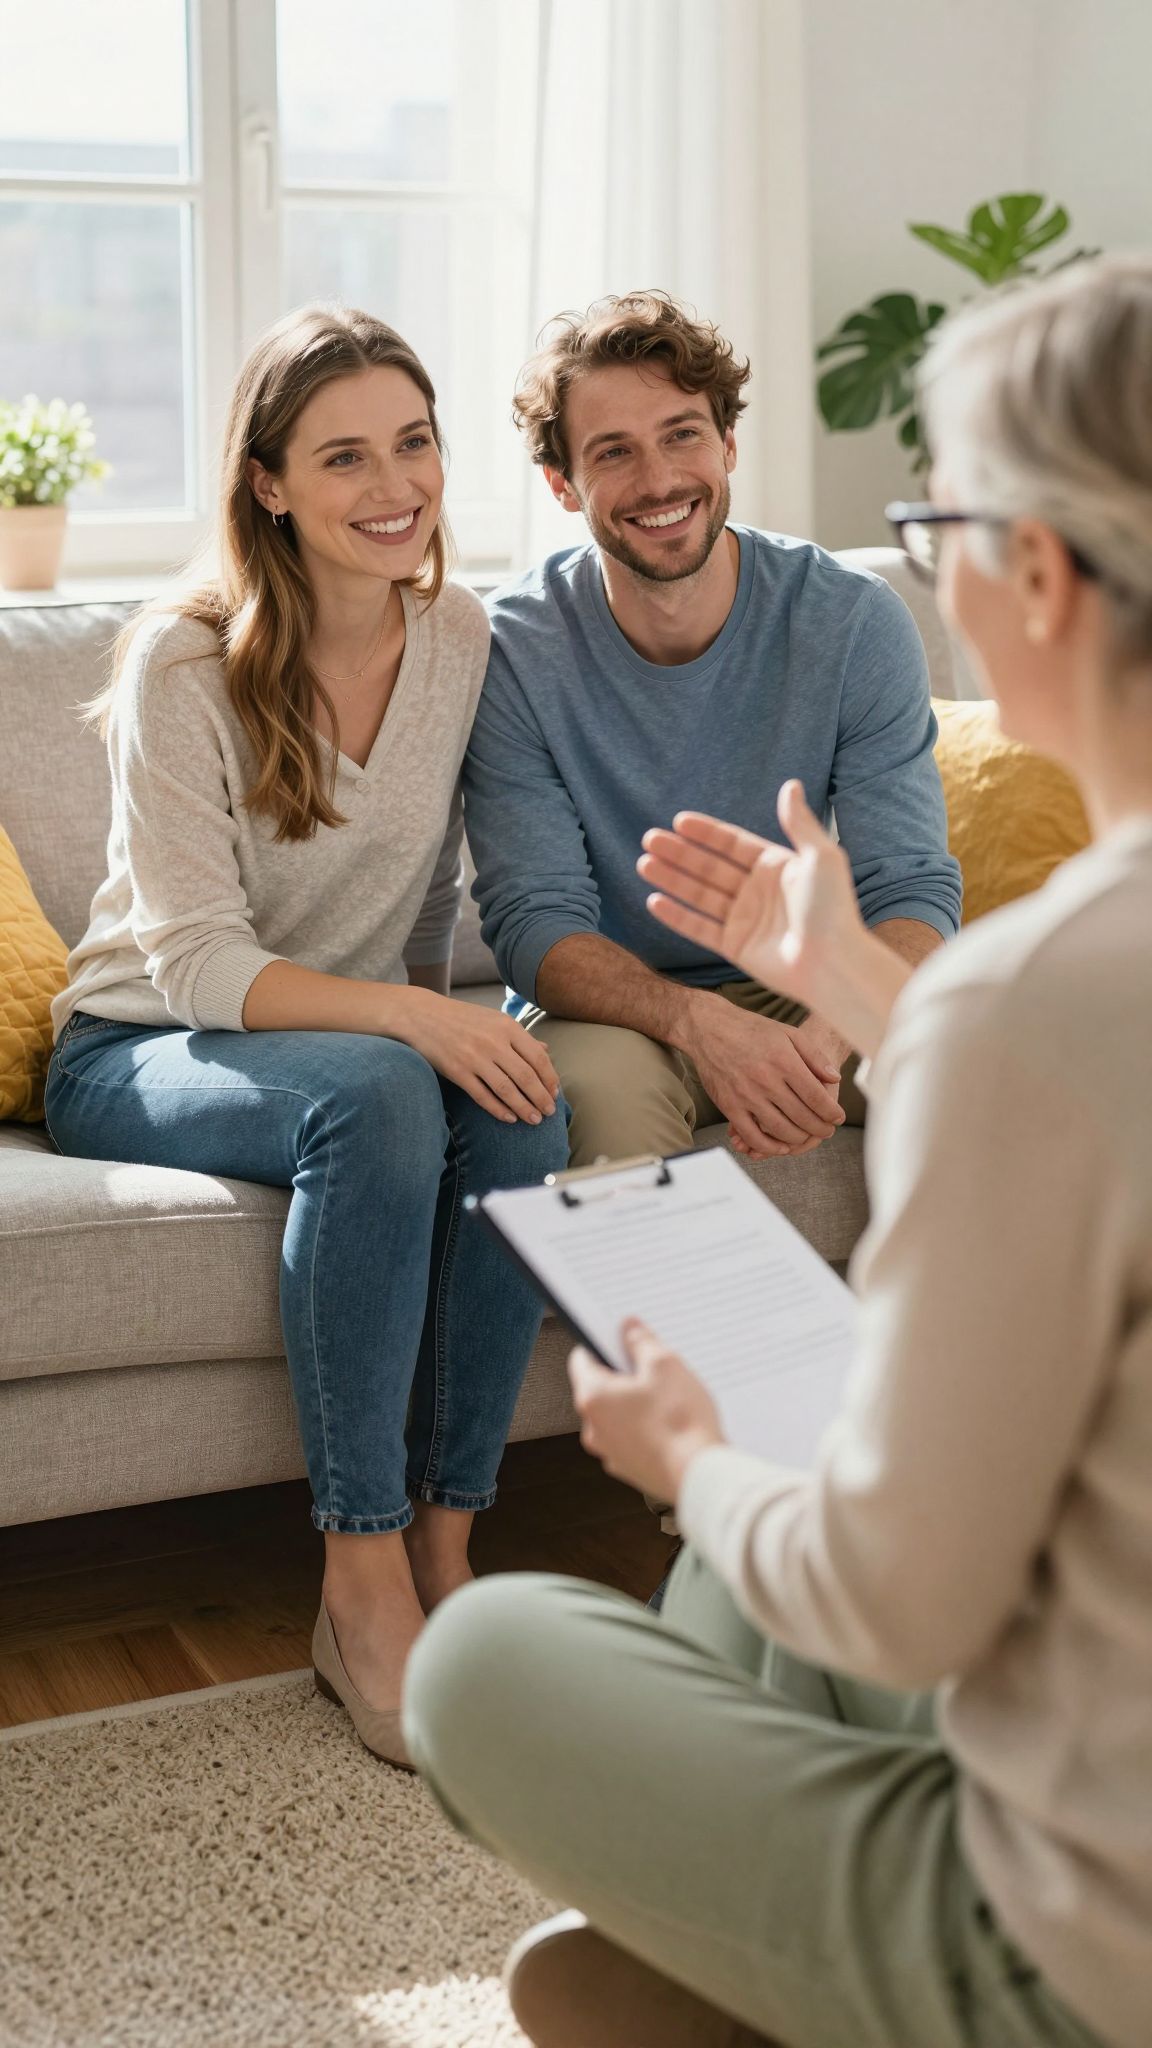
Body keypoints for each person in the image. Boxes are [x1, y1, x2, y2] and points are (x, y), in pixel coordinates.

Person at [403, 254, 1152, 2048]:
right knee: (753, 1581)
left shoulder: (1032, 1009)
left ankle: (762, 1974)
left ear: (1035, 578)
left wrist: (697, 1451)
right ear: (565, 480)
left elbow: (900, 1600)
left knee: (489, 1655)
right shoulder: (1025, 1010)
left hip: (1089, 1946)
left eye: (940, 527)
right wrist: (841, 997)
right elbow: (543, 923)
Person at [44, 305, 567, 1769]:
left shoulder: (459, 635)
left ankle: (450, 1542)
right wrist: (411, 1021)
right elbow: (196, 960)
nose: (394, 485)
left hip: (335, 1048)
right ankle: (359, 1578)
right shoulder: (181, 664)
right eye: (344, 457)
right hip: (140, 1046)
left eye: (414, 443)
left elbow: (421, 901)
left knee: (521, 1098)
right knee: (389, 1092)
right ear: (268, 482)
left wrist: (450, 1027)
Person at [462, 291, 961, 1170]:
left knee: (980, 1064)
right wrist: (699, 1023)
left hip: (814, 987)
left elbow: (911, 888)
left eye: (682, 434)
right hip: (614, 1015)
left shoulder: (851, 621)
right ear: (562, 484)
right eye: (613, 452)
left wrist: (824, 1041)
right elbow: (536, 924)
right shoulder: (514, 650)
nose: (659, 480)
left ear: (728, 443)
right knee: (599, 1102)